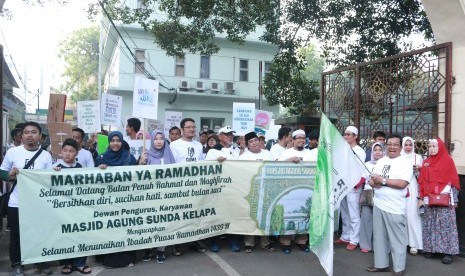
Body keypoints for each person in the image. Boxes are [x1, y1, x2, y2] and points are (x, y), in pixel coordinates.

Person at [0, 121, 54, 276]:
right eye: (26, 132)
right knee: (16, 235)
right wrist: (9, 175)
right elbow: (1, 172)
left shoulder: (45, 156)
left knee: (39, 233)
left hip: (38, 204)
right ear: (22, 136)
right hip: (16, 203)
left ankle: (41, 262)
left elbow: (49, 179)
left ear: (40, 136)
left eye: (34, 132)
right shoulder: (13, 153)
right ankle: (17, 264)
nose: (30, 135)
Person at [366, 134, 412, 275]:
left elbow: (402, 183)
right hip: (379, 203)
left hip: (395, 206)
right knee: (379, 237)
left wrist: (383, 181)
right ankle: (381, 265)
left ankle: (398, 269)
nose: (392, 147)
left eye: (395, 144)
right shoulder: (381, 161)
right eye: (390, 144)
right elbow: (372, 180)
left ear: (400, 147)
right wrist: (374, 182)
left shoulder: (405, 162)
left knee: (397, 239)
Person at [95, 131, 137, 268]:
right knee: (110, 229)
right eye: (112, 140)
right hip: (107, 201)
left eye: (118, 140)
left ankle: (127, 258)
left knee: (125, 228)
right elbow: (94, 181)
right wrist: (99, 170)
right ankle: (109, 260)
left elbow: (137, 177)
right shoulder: (101, 158)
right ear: (108, 142)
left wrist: (140, 164)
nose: (115, 143)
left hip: (126, 200)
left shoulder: (129, 158)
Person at [417, 138, 460, 265]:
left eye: (434, 146)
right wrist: (421, 198)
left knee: (445, 226)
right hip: (429, 198)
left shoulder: (448, 161)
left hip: (445, 199)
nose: (431, 148)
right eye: (429, 146)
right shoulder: (426, 162)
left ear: (440, 147)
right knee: (430, 224)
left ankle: (448, 252)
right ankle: (432, 249)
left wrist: (455, 200)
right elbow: (422, 181)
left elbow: (454, 182)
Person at [52, 138, 92, 274]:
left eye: (71, 151)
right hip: (62, 210)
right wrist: (53, 172)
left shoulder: (81, 167)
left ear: (76, 153)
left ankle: (80, 263)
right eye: (65, 151)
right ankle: (67, 263)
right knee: (65, 236)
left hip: (78, 209)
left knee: (81, 235)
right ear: (61, 152)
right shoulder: (55, 167)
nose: (68, 154)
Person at [277, 129, 317, 254]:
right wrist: (288, 161)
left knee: (304, 215)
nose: (301, 140)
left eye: (303, 138)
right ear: (292, 140)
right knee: (288, 215)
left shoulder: (311, 154)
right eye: (298, 138)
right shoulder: (286, 153)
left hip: (305, 191)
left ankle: (302, 241)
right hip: (289, 191)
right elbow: (276, 167)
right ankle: (285, 241)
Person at [169, 118, 206, 254]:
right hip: (180, 186)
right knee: (180, 214)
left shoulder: (198, 145)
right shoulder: (174, 145)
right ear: (182, 129)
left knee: (194, 214)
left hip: (195, 186)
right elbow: (172, 166)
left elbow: (202, 165)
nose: (191, 129)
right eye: (188, 127)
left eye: (193, 127)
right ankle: (177, 243)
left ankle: (193, 240)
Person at [138, 130, 175, 263]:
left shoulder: (169, 154)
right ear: (152, 140)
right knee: (148, 223)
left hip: (165, 196)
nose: (158, 141)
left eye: (161, 138)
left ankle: (160, 250)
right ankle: (147, 249)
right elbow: (138, 176)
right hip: (149, 196)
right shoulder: (146, 155)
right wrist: (141, 162)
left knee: (162, 223)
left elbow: (177, 174)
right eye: (156, 139)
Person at [204, 126, 241, 252]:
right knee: (217, 214)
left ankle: (233, 239)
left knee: (233, 214)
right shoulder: (213, 152)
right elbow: (207, 170)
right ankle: (214, 240)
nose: (230, 136)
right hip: (218, 189)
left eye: (231, 134)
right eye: (226, 134)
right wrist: (216, 162)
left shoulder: (236, 151)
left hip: (233, 188)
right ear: (220, 136)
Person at [239, 131, 276, 253]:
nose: (254, 143)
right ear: (247, 145)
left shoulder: (268, 154)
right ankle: (249, 243)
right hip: (251, 190)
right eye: (251, 141)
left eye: (256, 140)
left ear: (259, 142)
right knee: (251, 216)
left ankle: (265, 242)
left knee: (266, 216)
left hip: (266, 190)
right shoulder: (243, 157)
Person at [335, 126, 366, 251]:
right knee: (345, 212)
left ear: (355, 136)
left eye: (349, 134)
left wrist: (355, 182)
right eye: (345, 134)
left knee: (354, 213)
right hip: (343, 184)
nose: (346, 136)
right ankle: (345, 236)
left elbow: (359, 169)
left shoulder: (359, 151)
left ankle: (354, 239)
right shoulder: (343, 149)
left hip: (353, 185)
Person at [359, 142, 385, 253]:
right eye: (375, 150)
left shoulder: (386, 164)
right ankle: (365, 244)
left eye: (380, 150)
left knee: (379, 221)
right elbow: (362, 178)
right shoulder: (367, 164)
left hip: (382, 193)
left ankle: (378, 245)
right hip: (368, 193)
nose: (377, 152)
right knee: (366, 218)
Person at [400, 136, 423, 255]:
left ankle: (414, 244)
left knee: (412, 215)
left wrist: (418, 170)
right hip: (400, 187)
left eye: (410, 145)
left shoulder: (418, 157)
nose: (408, 147)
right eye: (406, 144)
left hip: (413, 188)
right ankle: (402, 243)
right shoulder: (398, 157)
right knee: (401, 215)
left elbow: (423, 176)